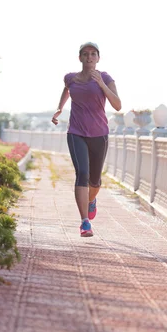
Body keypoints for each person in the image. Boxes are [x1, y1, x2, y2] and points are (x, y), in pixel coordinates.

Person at [51, 42, 122, 237]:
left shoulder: (106, 78)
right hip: (76, 132)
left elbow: (117, 105)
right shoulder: (71, 78)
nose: (89, 57)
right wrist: (60, 107)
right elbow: (67, 89)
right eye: (85, 54)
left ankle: (91, 200)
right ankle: (84, 222)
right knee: (82, 173)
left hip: (99, 134)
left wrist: (100, 84)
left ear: (98, 58)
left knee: (95, 181)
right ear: (80, 58)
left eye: (93, 54)